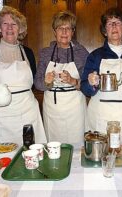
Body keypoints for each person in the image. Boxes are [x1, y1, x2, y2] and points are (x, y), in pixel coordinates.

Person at [0, 6, 47, 145]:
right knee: (3, 155)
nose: (9, 27)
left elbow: (31, 84)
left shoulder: (28, 53)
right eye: (5, 23)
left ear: (20, 29)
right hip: (1, 115)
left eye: (14, 24)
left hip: (28, 111)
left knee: (32, 150)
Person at [80, 8, 122, 143]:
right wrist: (91, 83)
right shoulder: (95, 56)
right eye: (110, 23)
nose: (114, 26)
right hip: (101, 115)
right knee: (102, 156)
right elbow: (84, 88)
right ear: (105, 31)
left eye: (118, 22)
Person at [34, 11, 89, 144]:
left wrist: (73, 81)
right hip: (52, 110)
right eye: (60, 28)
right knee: (54, 146)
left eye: (68, 28)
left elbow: (88, 85)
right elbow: (37, 84)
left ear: (73, 31)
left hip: (75, 109)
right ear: (55, 31)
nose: (64, 32)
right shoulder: (46, 53)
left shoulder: (82, 53)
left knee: (77, 146)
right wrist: (46, 82)